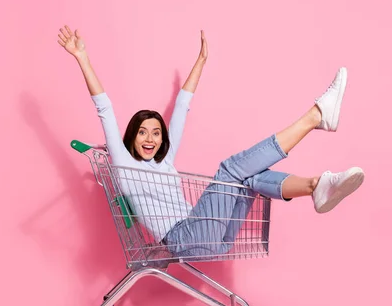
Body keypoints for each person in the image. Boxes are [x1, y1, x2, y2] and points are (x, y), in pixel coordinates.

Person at [57, 25, 365, 258]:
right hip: (185, 237)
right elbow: (105, 109)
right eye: (142, 132)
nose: (150, 138)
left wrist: (201, 61)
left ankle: (315, 186)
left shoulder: (165, 159)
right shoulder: (123, 165)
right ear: (131, 138)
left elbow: (181, 107)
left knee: (247, 178)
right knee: (230, 169)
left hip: (209, 232)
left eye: (155, 132)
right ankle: (315, 117)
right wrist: (82, 57)